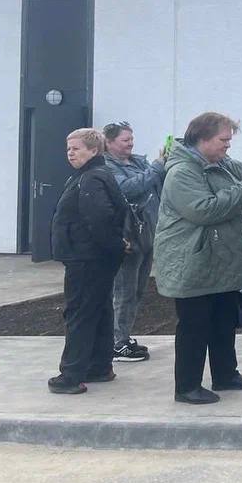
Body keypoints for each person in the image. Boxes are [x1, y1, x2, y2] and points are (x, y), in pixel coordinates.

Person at [154, 112, 242, 405]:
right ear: (202, 138)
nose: (228, 145)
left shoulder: (227, 166)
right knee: (194, 325)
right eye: (223, 139)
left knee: (223, 319)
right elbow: (204, 209)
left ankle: (226, 374)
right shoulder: (182, 173)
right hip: (192, 260)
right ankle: (187, 386)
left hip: (222, 259)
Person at [47, 128, 128, 394]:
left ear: (94, 150)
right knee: (99, 309)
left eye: (76, 148)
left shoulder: (91, 178)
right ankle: (99, 366)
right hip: (94, 257)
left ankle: (71, 375)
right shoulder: (94, 175)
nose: (70, 153)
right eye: (68, 149)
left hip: (87, 258)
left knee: (79, 313)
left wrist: (114, 246)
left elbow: (100, 219)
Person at [103, 121, 164, 362]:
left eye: (131, 139)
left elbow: (157, 184)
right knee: (124, 291)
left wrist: (166, 163)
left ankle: (124, 337)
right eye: (125, 140)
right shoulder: (108, 167)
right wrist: (158, 166)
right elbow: (129, 188)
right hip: (128, 238)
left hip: (147, 235)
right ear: (109, 142)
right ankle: (116, 343)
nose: (131, 143)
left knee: (137, 290)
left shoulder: (139, 162)